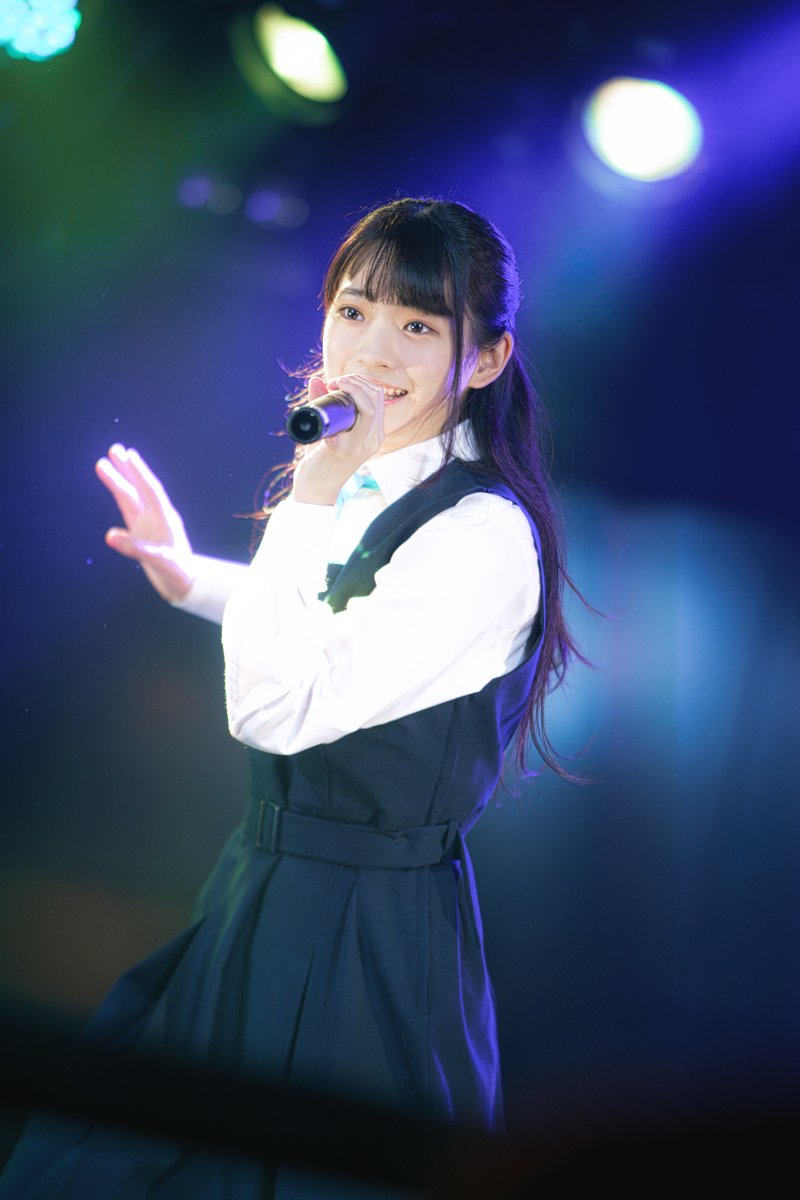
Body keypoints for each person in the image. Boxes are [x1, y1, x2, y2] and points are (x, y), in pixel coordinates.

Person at [0, 197, 584, 1197]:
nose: (372, 350)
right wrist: (192, 577)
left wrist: (311, 494)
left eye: (418, 325)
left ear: (484, 360)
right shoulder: (377, 480)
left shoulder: (480, 536)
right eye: (353, 311)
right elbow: (330, 629)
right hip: (263, 887)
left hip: (364, 930)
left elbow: (275, 707)